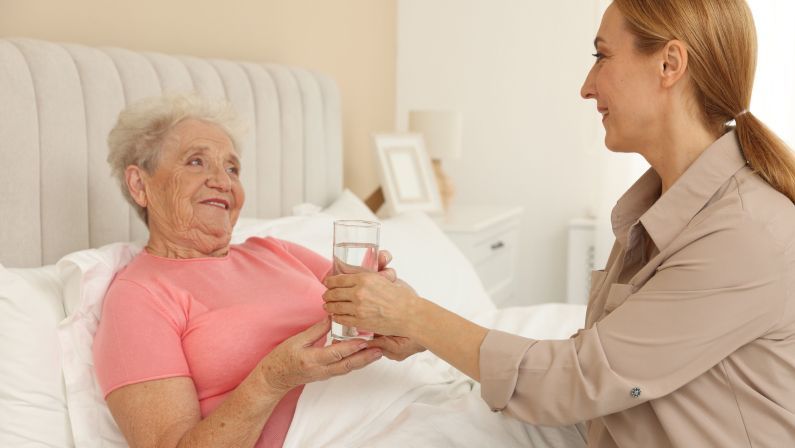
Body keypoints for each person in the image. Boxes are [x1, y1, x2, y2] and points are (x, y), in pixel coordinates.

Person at [323, 0, 795, 446]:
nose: (587, 87)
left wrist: (413, 314)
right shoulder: (671, 205)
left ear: (669, 64)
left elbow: (579, 379)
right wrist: (427, 333)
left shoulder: (745, 233)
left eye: (601, 56)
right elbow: (605, 363)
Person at [92, 93, 421, 448]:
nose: (222, 181)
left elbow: (390, 324)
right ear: (140, 185)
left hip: (407, 405)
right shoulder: (138, 297)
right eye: (196, 162)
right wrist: (273, 378)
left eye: (232, 168)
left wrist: (395, 309)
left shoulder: (276, 251)